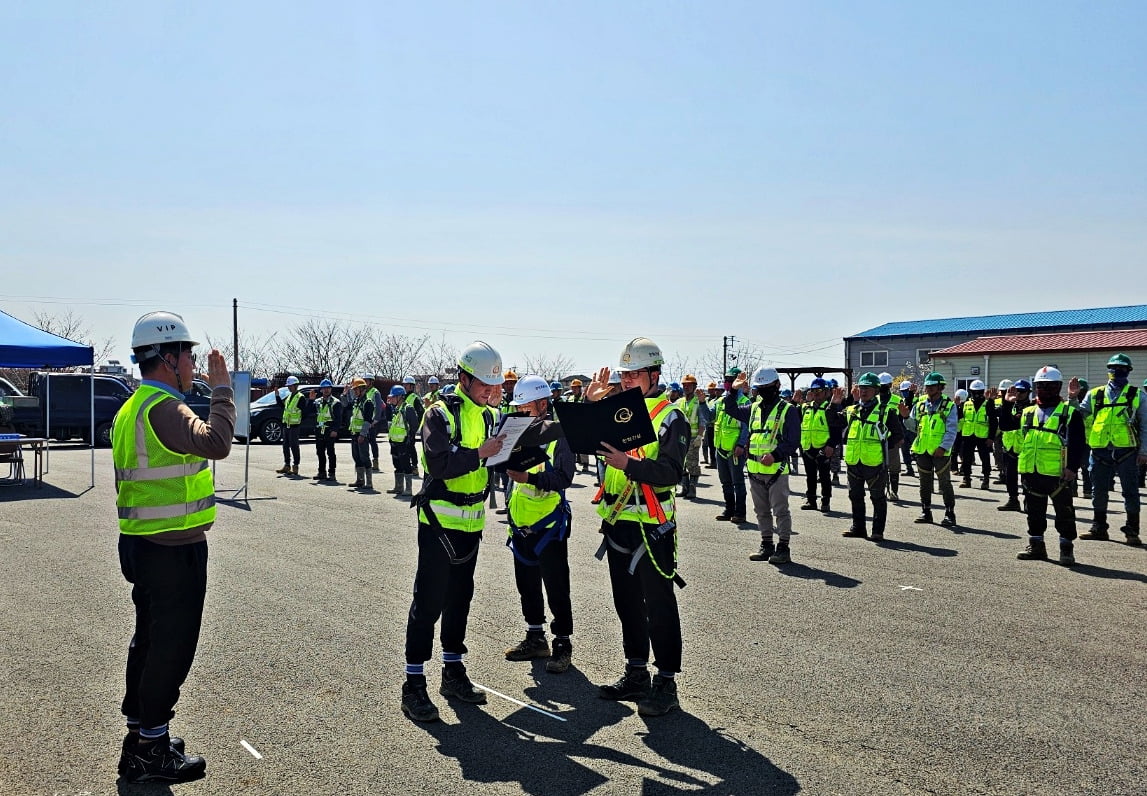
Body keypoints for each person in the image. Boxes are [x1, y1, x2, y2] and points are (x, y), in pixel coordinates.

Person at [114, 311, 235, 783]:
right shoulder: (165, 407)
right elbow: (218, 442)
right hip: (171, 549)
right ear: (168, 358)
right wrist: (222, 388)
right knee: (171, 646)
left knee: (148, 640)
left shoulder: (134, 404)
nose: (192, 363)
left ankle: (143, 733)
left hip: (144, 543)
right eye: (187, 354)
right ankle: (151, 748)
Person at [401, 342, 505, 723]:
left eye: (495, 387)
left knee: (460, 600)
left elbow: (515, 444)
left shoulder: (493, 415)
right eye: (484, 386)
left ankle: (453, 671)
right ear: (463, 378)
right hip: (439, 525)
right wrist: (482, 452)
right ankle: (413, 685)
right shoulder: (439, 413)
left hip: (472, 524)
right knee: (428, 603)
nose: (492, 393)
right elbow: (439, 463)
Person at [586, 337, 688, 717]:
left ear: (654, 374)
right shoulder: (617, 408)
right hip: (618, 520)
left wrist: (627, 465)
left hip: (652, 524)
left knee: (658, 603)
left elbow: (670, 472)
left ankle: (665, 681)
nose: (627, 381)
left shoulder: (670, 415)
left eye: (634, 375)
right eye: (624, 375)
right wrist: (591, 403)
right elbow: (582, 437)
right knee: (626, 601)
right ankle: (636, 672)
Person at [501, 375, 576, 674]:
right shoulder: (516, 433)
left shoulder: (560, 435)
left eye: (526, 406)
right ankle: (535, 638)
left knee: (557, 588)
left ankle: (562, 644)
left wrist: (530, 478)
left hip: (548, 527)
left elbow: (563, 477)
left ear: (543, 405)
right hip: (520, 526)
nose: (520, 412)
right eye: (517, 407)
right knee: (527, 587)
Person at [728, 367, 800, 563]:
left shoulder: (788, 410)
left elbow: (793, 441)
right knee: (761, 511)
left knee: (780, 510)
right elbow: (730, 409)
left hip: (776, 470)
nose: (764, 391)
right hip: (754, 470)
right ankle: (766, 545)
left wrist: (776, 455)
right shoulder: (753, 408)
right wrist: (733, 391)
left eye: (767, 387)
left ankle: (783, 547)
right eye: (760, 388)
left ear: (777, 385)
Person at [1015, 367, 1086, 565]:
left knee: (1064, 512)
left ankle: (1066, 549)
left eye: (1049, 386)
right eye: (1041, 386)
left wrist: (1072, 468)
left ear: (1058, 388)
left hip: (1059, 474)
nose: (1044, 390)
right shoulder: (1028, 412)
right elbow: (1016, 432)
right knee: (1034, 512)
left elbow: (1078, 443)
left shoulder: (1069, 413)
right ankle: (1037, 546)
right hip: (1032, 470)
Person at [1077, 353, 1147, 545]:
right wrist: (1073, 399)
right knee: (1099, 490)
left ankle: (1132, 531)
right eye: (1114, 368)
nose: (1117, 372)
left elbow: (1145, 426)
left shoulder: (1138, 395)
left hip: (1127, 451)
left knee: (1130, 491)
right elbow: (1079, 416)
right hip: (1100, 451)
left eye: (1122, 368)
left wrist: (1144, 452)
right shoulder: (1095, 394)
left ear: (1128, 371)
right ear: (1108, 371)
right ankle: (1099, 528)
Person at [841, 373, 904, 540]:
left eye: (867, 388)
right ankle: (858, 528)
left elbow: (898, 435)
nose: (863, 391)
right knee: (855, 496)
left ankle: (877, 531)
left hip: (875, 463)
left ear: (876, 390)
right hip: (854, 461)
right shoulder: (852, 410)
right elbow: (836, 426)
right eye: (862, 388)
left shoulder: (885, 411)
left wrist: (883, 445)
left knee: (877, 498)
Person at [910, 372, 959, 527]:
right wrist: (905, 418)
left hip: (940, 452)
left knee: (944, 483)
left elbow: (952, 429)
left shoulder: (949, 405)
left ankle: (950, 513)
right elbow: (913, 426)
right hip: (922, 450)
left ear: (940, 387)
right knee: (924, 483)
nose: (929, 388)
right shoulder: (920, 404)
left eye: (932, 386)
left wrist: (944, 447)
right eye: (927, 385)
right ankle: (926, 511)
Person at [799, 378, 844, 513]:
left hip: (824, 448)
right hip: (808, 448)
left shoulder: (830, 408)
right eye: (813, 391)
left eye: (819, 391)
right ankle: (811, 500)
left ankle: (825, 501)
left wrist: (831, 445)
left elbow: (837, 429)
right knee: (810, 475)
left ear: (826, 392)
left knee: (824, 476)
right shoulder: (805, 407)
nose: (816, 394)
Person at [712, 368, 750, 523]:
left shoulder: (744, 402)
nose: (727, 383)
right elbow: (708, 416)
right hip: (720, 448)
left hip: (735, 450)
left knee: (738, 482)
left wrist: (741, 444)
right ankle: (729, 509)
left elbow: (746, 426)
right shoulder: (721, 401)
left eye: (730, 380)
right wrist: (701, 403)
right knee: (725, 481)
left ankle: (740, 513)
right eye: (726, 379)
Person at [995, 379, 1032, 513]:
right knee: (1010, 477)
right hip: (1010, 447)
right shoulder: (1010, 405)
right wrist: (991, 401)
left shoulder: (1032, 407)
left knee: (1027, 479)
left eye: (1023, 392)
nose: (1020, 394)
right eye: (1018, 391)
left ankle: (1029, 501)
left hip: (1026, 448)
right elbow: (993, 414)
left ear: (1029, 393)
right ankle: (1013, 500)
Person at [958, 380, 996, 490]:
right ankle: (966, 478)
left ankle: (986, 479)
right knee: (966, 458)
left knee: (985, 458)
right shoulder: (966, 404)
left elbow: (993, 422)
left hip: (983, 436)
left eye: (979, 392)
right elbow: (961, 419)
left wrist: (991, 438)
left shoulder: (988, 404)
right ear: (971, 392)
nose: (977, 394)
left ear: (983, 391)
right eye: (975, 392)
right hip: (968, 435)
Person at [676, 374, 707, 499]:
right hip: (680, 438)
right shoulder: (679, 402)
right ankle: (685, 487)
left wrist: (700, 436)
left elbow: (702, 421)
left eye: (689, 385)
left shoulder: (698, 402)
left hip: (693, 438)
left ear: (695, 387)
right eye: (685, 385)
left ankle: (693, 489)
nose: (687, 387)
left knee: (692, 463)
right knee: (682, 463)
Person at [387, 385, 419, 497]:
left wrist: (409, 438)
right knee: (397, 465)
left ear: (400, 396)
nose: (392, 399)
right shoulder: (396, 409)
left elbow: (414, 425)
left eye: (394, 397)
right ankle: (399, 487)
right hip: (395, 442)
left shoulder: (408, 408)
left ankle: (408, 489)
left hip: (404, 442)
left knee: (406, 465)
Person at [876, 373, 903, 499]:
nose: (883, 388)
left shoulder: (897, 400)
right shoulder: (873, 399)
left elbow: (901, 420)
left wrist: (899, 438)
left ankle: (894, 491)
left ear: (890, 385)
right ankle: (880, 489)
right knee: (877, 466)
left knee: (894, 466)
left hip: (891, 438)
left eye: (885, 385)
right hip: (875, 438)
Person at [309, 379, 342, 483]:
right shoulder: (317, 402)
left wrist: (335, 430)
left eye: (328, 388)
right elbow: (307, 413)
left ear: (331, 389)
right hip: (319, 430)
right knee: (320, 452)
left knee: (331, 453)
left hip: (330, 430)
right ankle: (321, 472)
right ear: (321, 390)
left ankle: (332, 473)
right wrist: (310, 401)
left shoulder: (335, 402)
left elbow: (338, 418)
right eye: (324, 388)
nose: (326, 390)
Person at [347, 378, 376, 491]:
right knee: (357, 457)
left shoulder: (367, 402)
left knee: (365, 457)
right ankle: (360, 480)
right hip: (354, 433)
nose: (354, 391)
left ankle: (369, 482)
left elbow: (367, 420)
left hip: (361, 435)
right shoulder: (357, 401)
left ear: (361, 389)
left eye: (356, 389)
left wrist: (362, 435)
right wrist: (346, 393)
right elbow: (347, 405)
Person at [274, 376, 306, 475]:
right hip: (286, 425)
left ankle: (295, 466)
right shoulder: (289, 397)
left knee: (294, 446)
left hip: (294, 425)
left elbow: (304, 412)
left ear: (296, 385)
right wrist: (277, 396)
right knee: (285, 446)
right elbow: (282, 406)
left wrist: (300, 421)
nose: (289, 387)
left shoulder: (300, 397)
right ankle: (287, 465)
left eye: (290, 385)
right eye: (288, 386)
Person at [898, 381, 918, 477]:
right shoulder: (901, 401)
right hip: (903, 430)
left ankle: (921, 469)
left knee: (916, 451)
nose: (904, 393)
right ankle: (909, 468)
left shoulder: (917, 400)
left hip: (913, 429)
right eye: (903, 391)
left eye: (906, 391)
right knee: (904, 449)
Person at [703, 381, 721, 466]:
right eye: (715, 389)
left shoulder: (722, 401)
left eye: (717, 390)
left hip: (717, 427)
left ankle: (717, 462)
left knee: (715, 446)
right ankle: (712, 461)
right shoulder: (711, 401)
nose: (715, 391)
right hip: (709, 426)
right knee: (710, 445)